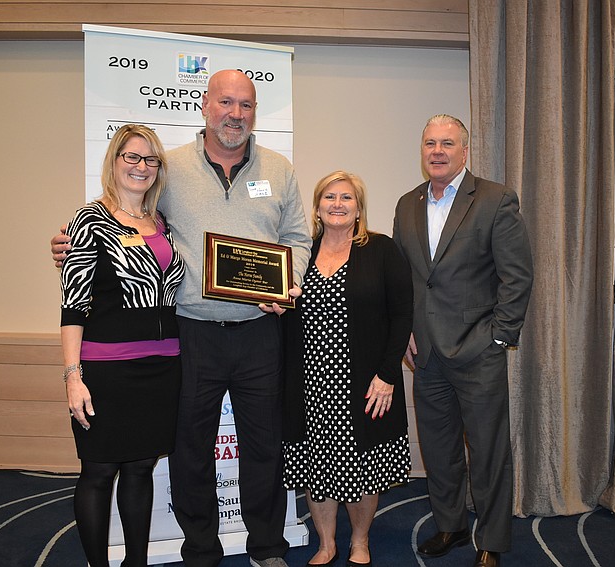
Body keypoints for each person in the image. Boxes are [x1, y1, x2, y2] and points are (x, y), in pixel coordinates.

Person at [53, 69, 311, 567]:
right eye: (226, 103)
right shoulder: (167, 169)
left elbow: (297, 239)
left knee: (264, 445)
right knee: (191, 447)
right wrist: (70, 240)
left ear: (255, 113)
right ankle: (200, 548)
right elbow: (124, 216)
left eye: (246, 105)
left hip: (261, 332)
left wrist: (288, 282)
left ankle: (266, 546)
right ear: (205, 106)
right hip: (190, 333)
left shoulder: (279, 169)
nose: (235, 114)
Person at [392, 114, 534, 567]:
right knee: (438, 448)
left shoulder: (495, 199)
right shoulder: (406, 204)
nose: (437, 151)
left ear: (464, 151)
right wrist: (402, 335)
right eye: (430, 142)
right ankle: (450, 525)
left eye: (447, 143)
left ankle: (491, 539)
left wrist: (499, 339)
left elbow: (518, 276)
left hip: (478, 352)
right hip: (426, 353)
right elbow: (404, 280)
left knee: (489, 451)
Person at [272, 171, 413, 567]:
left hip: (365, 382)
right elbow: (281, 309)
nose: (337, 204)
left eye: (346, 198)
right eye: (329, 197)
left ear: (358, 207)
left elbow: (402, 313)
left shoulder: (381, 249)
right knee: (317, 466)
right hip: (309, 382)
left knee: (364, 464)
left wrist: (388, 374)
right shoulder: (300, 253)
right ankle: (327, 542)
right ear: (316, 207)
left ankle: (361, 541)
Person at [60, 124, 185, 567]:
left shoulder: (163, 224)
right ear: (113, 162)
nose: (142, 167)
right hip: (107, 370)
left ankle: (136, 561)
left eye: (151, 159)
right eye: (132, 157)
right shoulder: (89, 220)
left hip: (163, 368)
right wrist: (73, 377)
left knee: (139, 469)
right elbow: (73, 305)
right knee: (97, 472)